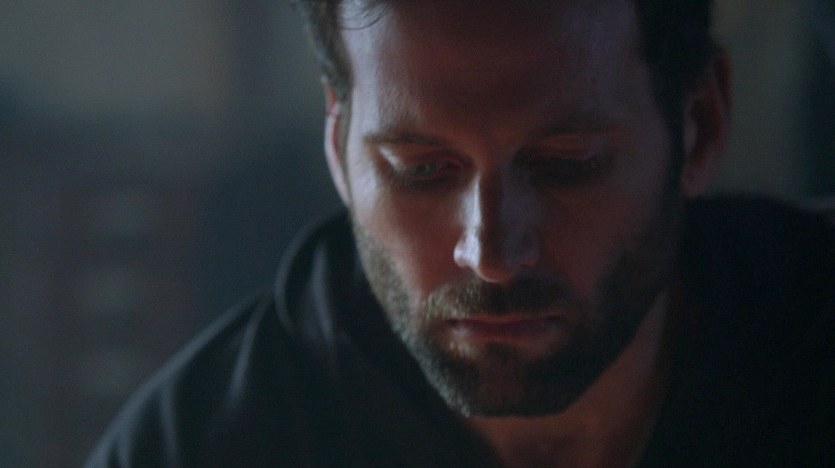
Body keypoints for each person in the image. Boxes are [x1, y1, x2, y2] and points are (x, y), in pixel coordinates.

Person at [87, 1, 835, 466]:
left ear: (698, 127)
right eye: (419, 171)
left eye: (566, 165)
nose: (492, 255)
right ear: (339, 148)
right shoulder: (200, 445)